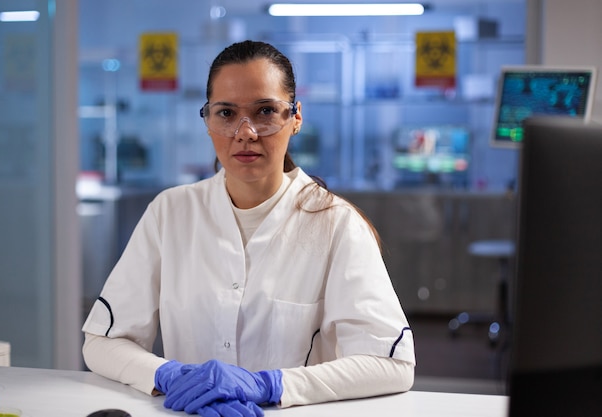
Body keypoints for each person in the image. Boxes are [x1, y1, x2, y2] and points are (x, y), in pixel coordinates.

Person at [82, 40, 415, 417]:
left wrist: (270, 386)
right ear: (207, 120)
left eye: (265, 111)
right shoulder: (170, 212)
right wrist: (169, 375)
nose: (246, 132)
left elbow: (392, 364)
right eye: (226, 113)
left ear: (296, 117)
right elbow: (102, 342)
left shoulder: (337, 225)